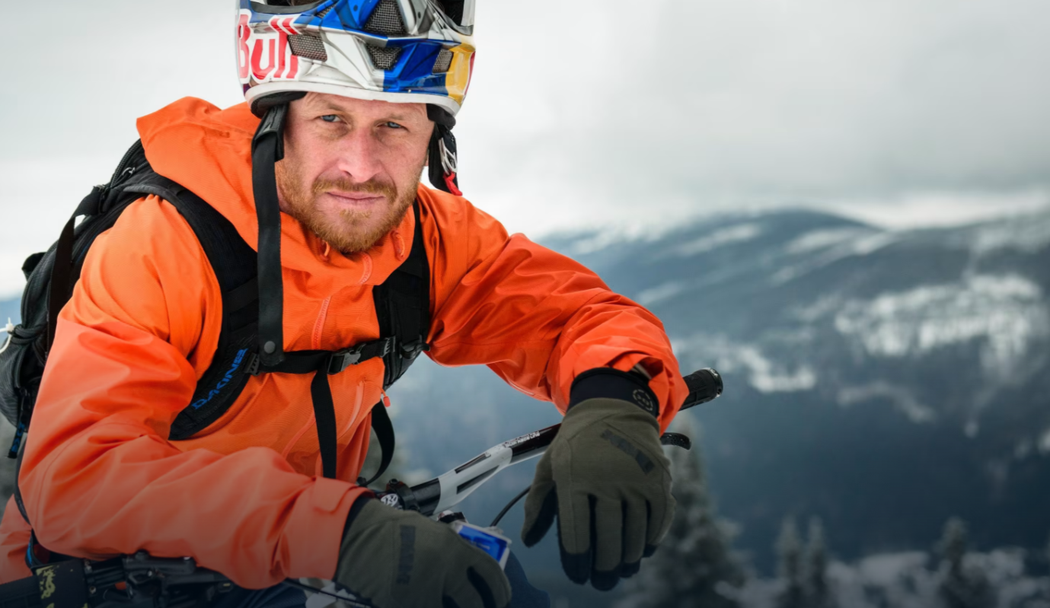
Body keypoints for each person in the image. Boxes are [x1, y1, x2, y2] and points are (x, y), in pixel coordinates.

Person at [0, 1, 688, 606]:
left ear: (433, 137)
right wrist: (340, 533)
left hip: (294, 564)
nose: (360, 166)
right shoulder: (170, 242)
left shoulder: (424, 236)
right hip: (99, 581)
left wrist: (613, 401)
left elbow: (573, 315)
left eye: (393, 126)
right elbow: (78, 480)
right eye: (331, 119)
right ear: (277, 121)